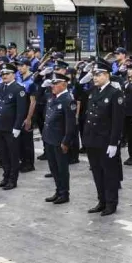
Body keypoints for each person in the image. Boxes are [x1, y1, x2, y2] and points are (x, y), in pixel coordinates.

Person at [82, 60, 125, 216]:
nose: (95, 77)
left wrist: (114, 143)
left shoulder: (115, 93)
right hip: (92, 139)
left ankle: (111, 203)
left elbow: (117, 121)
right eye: (94, 74)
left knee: (109, 174)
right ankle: (101, 200)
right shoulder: (94, 91)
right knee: (97, 172)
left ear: (107, 75)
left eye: (98, 74)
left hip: (106, 141)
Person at [42, 71, 78, 205]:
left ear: (64, 84)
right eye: (53, 84)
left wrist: (66, 141)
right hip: (49, 138)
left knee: (62, 168)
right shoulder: (53, 97)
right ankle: (58, 190)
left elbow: (71, 124)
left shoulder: (68, 100)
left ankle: (64, 193)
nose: (53, 86)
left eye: (56, 84)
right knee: (53, 167)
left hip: (59, 140)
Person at [0, 62, 27, 191]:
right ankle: (5, 177)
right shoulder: (0, 87)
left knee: (13, 155)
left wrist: (17, 127)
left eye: (7, 73)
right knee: (4, 154)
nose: (4, 76)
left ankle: (12, 180)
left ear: (14, 74)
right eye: (2, 74)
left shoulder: (19, 89)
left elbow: (21, 111)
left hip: (10, 128)